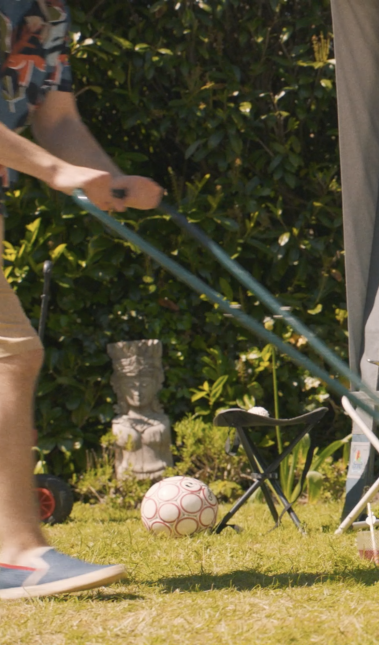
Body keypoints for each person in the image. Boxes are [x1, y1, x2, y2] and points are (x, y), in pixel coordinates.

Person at [0, 0, 163, 600]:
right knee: (10, 354)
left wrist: (109, 178)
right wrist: (54, 172)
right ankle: (14, 554)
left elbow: (56, 115)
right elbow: (50, 153)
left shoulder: (47, 11)